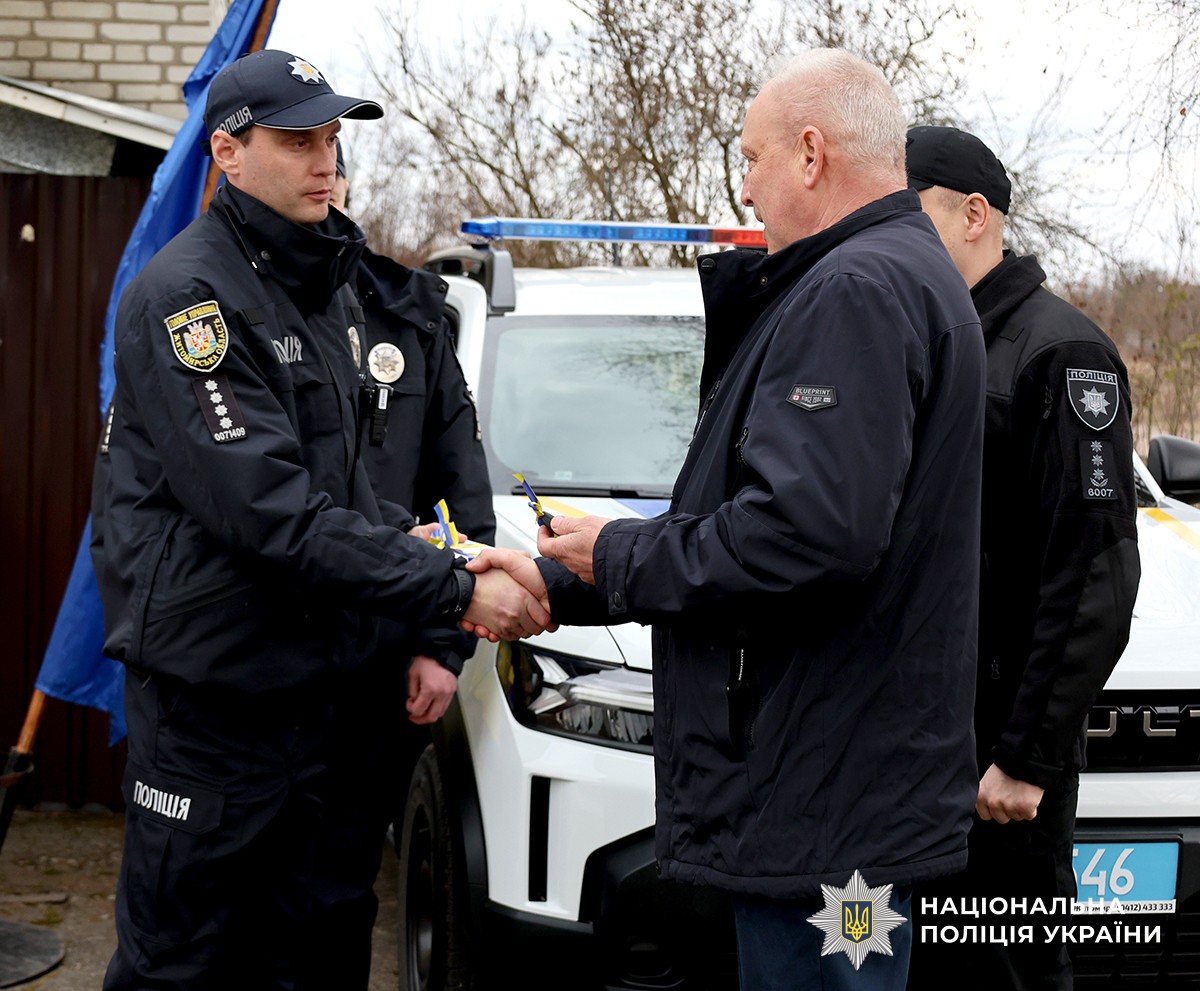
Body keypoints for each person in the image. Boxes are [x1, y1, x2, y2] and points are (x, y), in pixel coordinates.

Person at [466, 49, 986, 991]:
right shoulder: (891, 275)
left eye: (751, 159)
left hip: (826, 811)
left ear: (812, 154)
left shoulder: (856, 291)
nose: (744, 188)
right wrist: (570, 575)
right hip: (838, 792)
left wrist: (618, 553)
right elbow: (759, 516)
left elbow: (803, 537)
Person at [90, 49, 548, 990]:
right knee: (185, 964)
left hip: (332, 705)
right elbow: (272, 513)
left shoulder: (337, 291)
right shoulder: (189, 299)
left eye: (332, 139)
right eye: (298, 141)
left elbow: (373, 488)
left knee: (321, 950)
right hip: (217, 710)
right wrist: (454, 587)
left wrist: (432, 604)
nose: (325, 160)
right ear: (228, 152)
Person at [903, 125, 1140, 990]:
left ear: (975, 215)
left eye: (911, 215)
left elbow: (1095, 574)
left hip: (999, 768)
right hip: (917, 752)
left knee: (1010, 974)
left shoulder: (1061, 354)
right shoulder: (926, 338)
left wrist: (1026, 756)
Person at [318, 141, 498, 987]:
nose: (318, 179)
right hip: (250, 670)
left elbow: (462, 498)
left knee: (336, 899)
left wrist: (441, 643)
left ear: (344, 184)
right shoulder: (224, 306)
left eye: (329, 161)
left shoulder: (411, 316)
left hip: (371, 669)